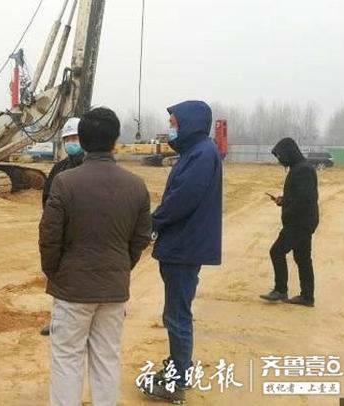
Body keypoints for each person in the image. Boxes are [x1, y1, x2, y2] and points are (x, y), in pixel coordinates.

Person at [39, 107, 152, 406]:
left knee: (67, 358)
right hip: (113, 289)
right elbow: (141, 237)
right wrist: (121, 266)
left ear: (83, 140)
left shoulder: (65, 182)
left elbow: (49, 236)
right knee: (106, 358)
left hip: (72, 288)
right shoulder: (136, 185)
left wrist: (55, 273)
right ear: (115, 140)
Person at [138, 100, 222, 403]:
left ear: (189, 123)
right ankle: (177, 368)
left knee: (177, 315)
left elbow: (182, 199)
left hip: (184, 246)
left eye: (173, 123)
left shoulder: (201, 154)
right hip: (184, 243)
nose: (170, 128)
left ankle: (177, 382)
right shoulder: (197, 152)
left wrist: (152, 221)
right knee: (175, 313)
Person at [39, 117, 85, 336]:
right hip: (62, 235)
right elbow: (47, 200)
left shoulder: (91, 168)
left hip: (85, 235)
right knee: (59, 281)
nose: (71, 143)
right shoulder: (59, 168)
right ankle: (57, 321)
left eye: (75, 138)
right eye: (68, 139)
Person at [259, 137, 318, 306]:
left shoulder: (302, 170)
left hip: (299, 223)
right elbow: (298, 195)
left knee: (276, 251)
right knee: (303, 258)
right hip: (304, 221)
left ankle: (280, 290)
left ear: (289, 153)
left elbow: (304, 199)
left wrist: (288, 209)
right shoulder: (300, 168)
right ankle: (307, 297)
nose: (279, 160)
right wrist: (283, 200)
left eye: (280, 156)